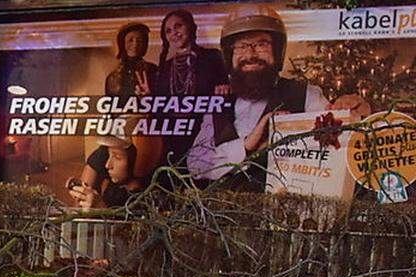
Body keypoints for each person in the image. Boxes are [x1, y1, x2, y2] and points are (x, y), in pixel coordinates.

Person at [187, 6, 367, 189]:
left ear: (278, 51)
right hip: (224, 213)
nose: (250, 55)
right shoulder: (220, 100)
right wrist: (248, 145)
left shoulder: (305, 94)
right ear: (229, 55)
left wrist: (357, 114)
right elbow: (196, 164)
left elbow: (339, 145)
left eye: (261, 44)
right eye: (241, 46)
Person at [143, 9, 228, 163]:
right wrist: (150, 98)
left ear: (190, 27)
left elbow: (226, 91)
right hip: (173, 138)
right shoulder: (164, 68)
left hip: (205, 134)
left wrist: (224, 88)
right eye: (168, 31)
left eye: (178, 26)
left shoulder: (212, 57)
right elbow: (161, 110)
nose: (174, 33)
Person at [68, 134, 142, 209]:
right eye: (109, 155)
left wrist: (100, 208)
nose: (107, 165)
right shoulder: (102, 154)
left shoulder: (141, 198)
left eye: (117, 157)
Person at [104, 22, 157, 99]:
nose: (135, 44)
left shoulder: (152, 70)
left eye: (139, 40)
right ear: (122, 43)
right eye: (130, 40)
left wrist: (148, 98)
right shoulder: (113, 77)